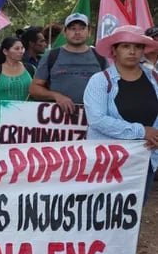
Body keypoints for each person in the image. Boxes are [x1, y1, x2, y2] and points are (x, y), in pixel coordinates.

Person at [84, 25, 158, 205]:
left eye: (138, 46)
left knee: (134, 214)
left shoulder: (154, 78)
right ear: (114, 50)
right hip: (108, 161)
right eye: (125, 46)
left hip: (145, 160)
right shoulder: (100, 81)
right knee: (103, 212)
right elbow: (97, 119)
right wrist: (142, 131)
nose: (132, 51)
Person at [29, 13, 107, 114]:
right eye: (72, 28)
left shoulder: (100, 57)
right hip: (58, 122)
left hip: (93, 121)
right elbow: (34, 89)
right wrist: (56, 96)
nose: (77, 32)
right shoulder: (51, 56)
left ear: (89, 32)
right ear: (65, 32)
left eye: (82, 28)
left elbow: (111, 89)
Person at [0, 37, 33, 144]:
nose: (21, 51)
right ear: (5, 51)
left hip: (26, 122)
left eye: (22, 48)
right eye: (16, 48)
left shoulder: (31, 69)